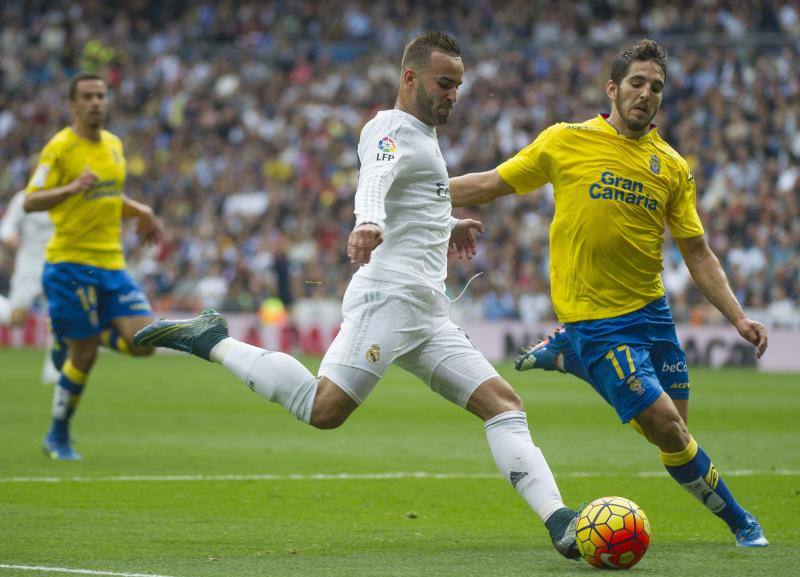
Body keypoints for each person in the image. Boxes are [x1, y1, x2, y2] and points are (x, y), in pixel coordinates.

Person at [134, 31, 580, 559]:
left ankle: (561, 522)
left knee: (504, 404)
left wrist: (448, 223)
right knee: (323, 409)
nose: (452, 95)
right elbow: (376, 179)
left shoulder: (425, 137)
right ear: (409, 77)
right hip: (388, 299)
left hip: (427, 312)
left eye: (458, 85)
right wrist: (366, 222)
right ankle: (213, 340)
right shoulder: (389, 128)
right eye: (443, 83)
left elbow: (414, 198)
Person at [448, 39, 769, 548]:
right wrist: (415, 188)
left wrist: (738, 317)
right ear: (613, 88)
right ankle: (743, 523)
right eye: (637, 83)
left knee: (673, 432)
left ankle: (569, 358)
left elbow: (699, 253)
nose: (646, 94)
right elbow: (490, 182)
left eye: (656, 87)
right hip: (595, 319)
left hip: (653, 312)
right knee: (670, 430)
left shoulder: (672, 166)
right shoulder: (565, 140)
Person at [24, 72, 163, 460]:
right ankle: (58, 435)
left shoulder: (115, 146)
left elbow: (109, 194)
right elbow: (30, 201)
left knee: (144, 343)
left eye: (101, 95)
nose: (96, 102)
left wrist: (141, 211)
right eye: (87, 97)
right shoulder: (59, 149)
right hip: (69, 264)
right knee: (83, 357)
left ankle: (82, 333)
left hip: (111, 263)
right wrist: (69, 189)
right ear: (73, 105)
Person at [0, 189, 60, 384]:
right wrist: (10, 236)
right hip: (29, 265)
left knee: (58, 316)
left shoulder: (64, 195)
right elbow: (7, 225)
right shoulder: (23, 198)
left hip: (56, 264)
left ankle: (53, 369)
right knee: (16, 319)